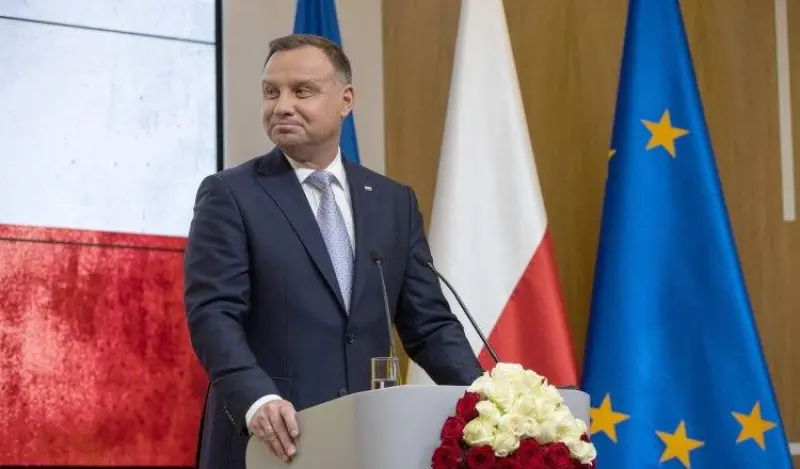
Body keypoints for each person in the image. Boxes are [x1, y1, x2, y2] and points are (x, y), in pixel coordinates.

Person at [183, 33, 483, 469]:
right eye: (271, 92)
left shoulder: (393, 202)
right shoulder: (230, 195)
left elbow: (429, 326)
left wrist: (488, 401)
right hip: (272, 441)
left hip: (369, 440)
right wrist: (257, 398)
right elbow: (213, 313)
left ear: (346, 100)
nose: (282, 106)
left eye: (301, 91)